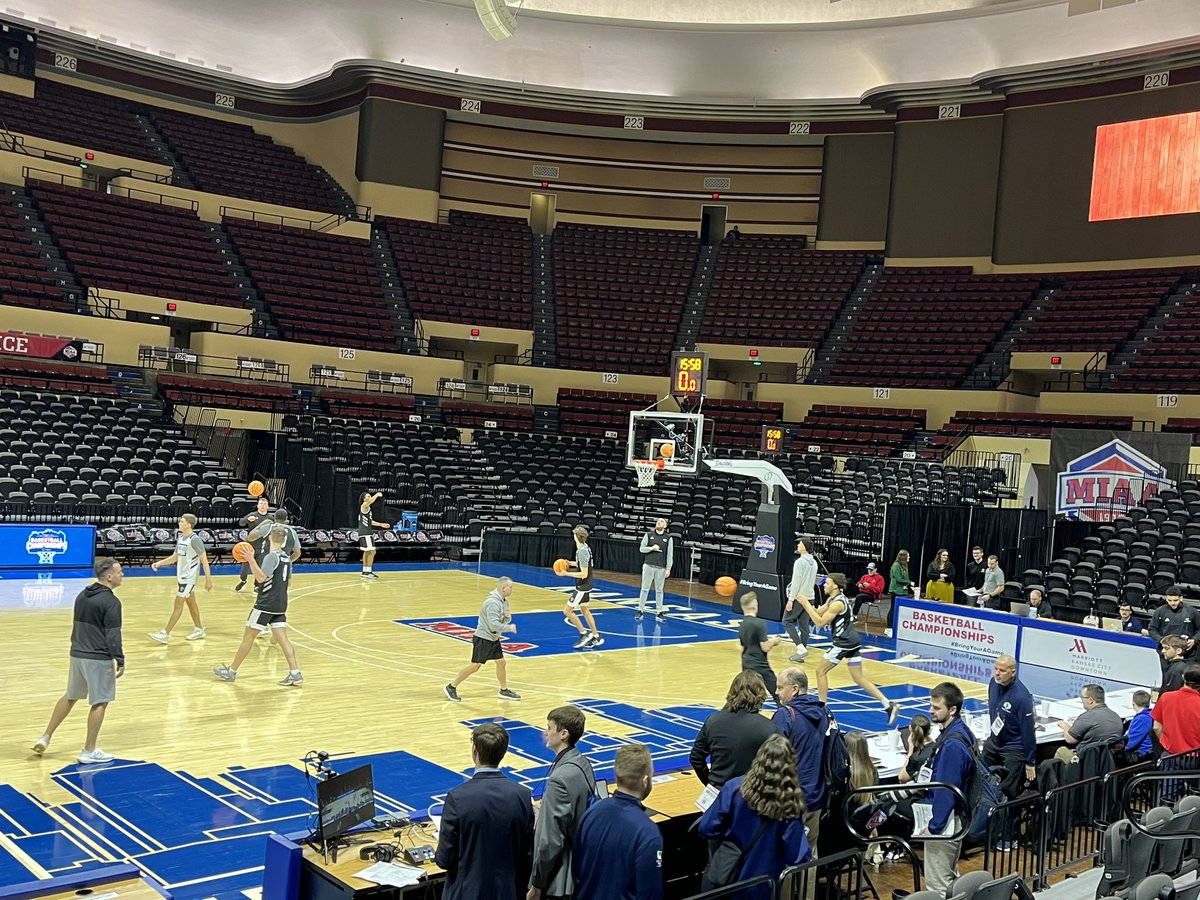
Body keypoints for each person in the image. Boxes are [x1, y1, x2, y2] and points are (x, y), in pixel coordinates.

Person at [31, 557, 125, 764]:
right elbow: (113, 635)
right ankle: (89, 750)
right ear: (109, 577)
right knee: (100, 701)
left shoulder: (83, 595)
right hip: (98, 657)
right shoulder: (111, 602)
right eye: (119, 572)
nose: (122, 575)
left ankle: (45, 736)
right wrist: (120, 658)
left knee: (71, 696)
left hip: (77, 653)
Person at [696, 734, 812, 896]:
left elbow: (707, 828)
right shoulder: (790, 805)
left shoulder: (734, 788)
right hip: (764, 887)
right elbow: (795, 855)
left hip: (730, 879)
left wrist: (731, 834)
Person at [436, 723, 534, 900]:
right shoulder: (523, 796)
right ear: (503, 753)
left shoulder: (457, 797)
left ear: (475, 751)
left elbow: (444, 860)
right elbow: (527, 857)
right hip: (507, 893)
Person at [791, 573, 900, 725]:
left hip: (844, 642)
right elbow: (819, 612)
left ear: (835, 585)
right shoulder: (833, 599)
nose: (824, 585)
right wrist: (806, 604)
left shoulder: (837, 603)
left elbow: (820, 622)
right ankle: (888, 705)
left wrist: (806, 605)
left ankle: (822, 708)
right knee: (858, 678)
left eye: (827, 583)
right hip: (853, 641)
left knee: (820, 671)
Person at [212, 526, 303, 685]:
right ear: (284, 540)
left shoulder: (271, 557)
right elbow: (288, 583)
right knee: (283, 640)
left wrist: (251, 559)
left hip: (265, 605)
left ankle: (231, 671)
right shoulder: (287, 559)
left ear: (269, 538)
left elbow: (260, 578)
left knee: (248, 638)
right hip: (281, 604)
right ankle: (295, 672)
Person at [573, 743, 663, 900]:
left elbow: (577, 872)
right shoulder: (648, 832)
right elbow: (649, 894)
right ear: (645, 780)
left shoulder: (590, 814)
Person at [528, 706, 595, 900]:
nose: (545, 732)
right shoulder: (583, 762)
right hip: (582, 864)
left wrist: (537, 884)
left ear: (563, 734)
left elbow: (550, 840)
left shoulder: (560, 778)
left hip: (562, 878)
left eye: (549, 728)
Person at [920, 682, 976, 894]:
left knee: (939, 886)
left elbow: (946, 789)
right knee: (951, 880)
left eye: (936, 708)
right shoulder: (961, 732)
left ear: (952, 710)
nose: (930, 711)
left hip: (947, 823)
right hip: (956, 817)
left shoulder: (952, 745)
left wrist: (935, 827)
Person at [772, 667, 828, 855]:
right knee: (810, 854)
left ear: (794, 689)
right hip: (816, 796)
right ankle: (808, 887)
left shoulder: (785, 715)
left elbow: (772, 759)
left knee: (786, 856)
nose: (776, 692)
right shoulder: (824, 712)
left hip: (790, 800)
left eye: (780, 687)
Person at [690, 671, 778, 788]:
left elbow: (696, 757)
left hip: (718, 793)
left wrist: (710, 783)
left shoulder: (713, 721)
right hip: (750, 795)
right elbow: (780, 767)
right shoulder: (769, 728)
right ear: (761, 695)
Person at [444, 576, 521, 701]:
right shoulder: (492, 603)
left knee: (501, 662)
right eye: (510, 587)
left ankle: (504, 690)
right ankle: (451, 686)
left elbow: (504, 619)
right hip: (484, 638)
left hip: (493, 638)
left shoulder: (504, 601)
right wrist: (509, 628)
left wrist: (507, 619)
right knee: (475, 666)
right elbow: (493, 625)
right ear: (503, 588)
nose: (512, 590)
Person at [148, 513, 213, 644]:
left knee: (178, 605)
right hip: (182, 577)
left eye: (182, 521)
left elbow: (204, 560)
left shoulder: (195, 539)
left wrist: (208, 579)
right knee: (191, 603)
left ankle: (165, 633)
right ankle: (199, 629)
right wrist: (159, 563)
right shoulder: (182, 538)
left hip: (189, 578)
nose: (179, 523)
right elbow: (175, 557)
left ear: (188, 524)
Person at [982, 655, 1036, 806]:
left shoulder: (1022, 697)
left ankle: (1005, 824)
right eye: (996, 669)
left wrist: (1030, 760)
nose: (997, 673)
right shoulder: (993, 683)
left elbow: (1028, 731)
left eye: (1002, 670)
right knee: (980, 778)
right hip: (994, 742)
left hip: (1013, 747)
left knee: (1007, 790)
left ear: (1012, 672)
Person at [1054, 684, 1125, 762]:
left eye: (1083, 697)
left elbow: (1070, 739)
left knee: (1061, 751)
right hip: (1107, 760)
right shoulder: (1115, 716)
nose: (1082, 700)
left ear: (1090, 700)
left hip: (1086, 760)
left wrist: (1065, 726)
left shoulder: (1088, 717)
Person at [559, 525, 603, 650]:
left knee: (567, 611)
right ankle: (596, 636)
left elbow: (584, 574)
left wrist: (566, 573)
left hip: (583, 586)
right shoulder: (584, 548)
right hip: (588, 584)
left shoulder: (582, 551)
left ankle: (584, 634)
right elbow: (582, 564)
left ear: (576, 537)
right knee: (585, 611)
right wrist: (569, 563)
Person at [1151, 664, 1200, 756]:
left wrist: (1167, 744)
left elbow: (1156, 727)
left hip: (1169, 757)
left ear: (1183, 677)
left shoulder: (1166, 697)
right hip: (1195, 760)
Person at [739, 592, 782, 694]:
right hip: (760, 664)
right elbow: (765, 647)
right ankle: (784, 710)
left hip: (746, 663)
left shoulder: (742, 624)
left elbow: (742, 645)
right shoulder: (759, 623)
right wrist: (773, 642)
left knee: (749, 693)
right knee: (777, 692)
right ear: (754, 606)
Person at [784, 538, 818, 662]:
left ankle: (800, 648)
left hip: (799, 597)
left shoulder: (800, 562)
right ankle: (801, 652)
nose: (798, 545)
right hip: (810, 597)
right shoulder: (814, 562)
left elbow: (796, 583)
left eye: (800, 543)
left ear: (805, 547)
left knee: (786, 621)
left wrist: (790, 599)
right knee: (804, 626)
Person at [636, 518, 673, 623]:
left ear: (665, 526)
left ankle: (659, 612)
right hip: (648, 565)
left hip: (661, 568)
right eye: (658, 521)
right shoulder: (648, 535)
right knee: (644, 589)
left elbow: (670, 555)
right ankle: (640, 610)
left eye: (662, 522)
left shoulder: (668, 538)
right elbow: (641, 549)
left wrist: (668, 568)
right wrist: (651, 548)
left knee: (659, 590)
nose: (659, 522)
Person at [234, 495, 271, 591]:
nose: (262, 506)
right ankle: (243, 580)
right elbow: (240, 522)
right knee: (245, 565)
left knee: (259, 566)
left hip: (263, 546)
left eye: (264, 504)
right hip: (250, 545)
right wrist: (247, 519)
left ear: (268, 506)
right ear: (257, 505)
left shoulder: (270, 518)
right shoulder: (252, 515)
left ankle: (257, 585)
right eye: (261, 504)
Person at [1146, 587, 1196, 656]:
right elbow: (1152, 629)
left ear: (1181, 598)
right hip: (1166, 651)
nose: (1172, 603)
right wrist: (1161, 640)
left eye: (1175, 600)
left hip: (1186, 651)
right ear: (1166, 599)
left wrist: (1194, 639)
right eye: (1169, 600)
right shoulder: (1159, 611)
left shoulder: (1192, 611)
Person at [357, 490, 390, 579]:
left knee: (367, 551)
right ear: (363, 499)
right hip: (365, 532)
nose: (369, 498)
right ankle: (368, 571)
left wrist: (381, 524)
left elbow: (370, 521)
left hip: (365, 532)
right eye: (367, 497)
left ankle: (365, 571)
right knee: (372, 551)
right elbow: (370, 501)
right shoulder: (364, 505)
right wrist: (377, 495)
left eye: (369, 496)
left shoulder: (367, 509)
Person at [1122, 690, 1155, 764]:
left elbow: (1131, 743)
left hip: (1141, 755)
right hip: (1148, 753)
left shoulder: (1142, 719)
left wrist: (1118, 748)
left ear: (1133, 703)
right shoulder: (1151, 715)